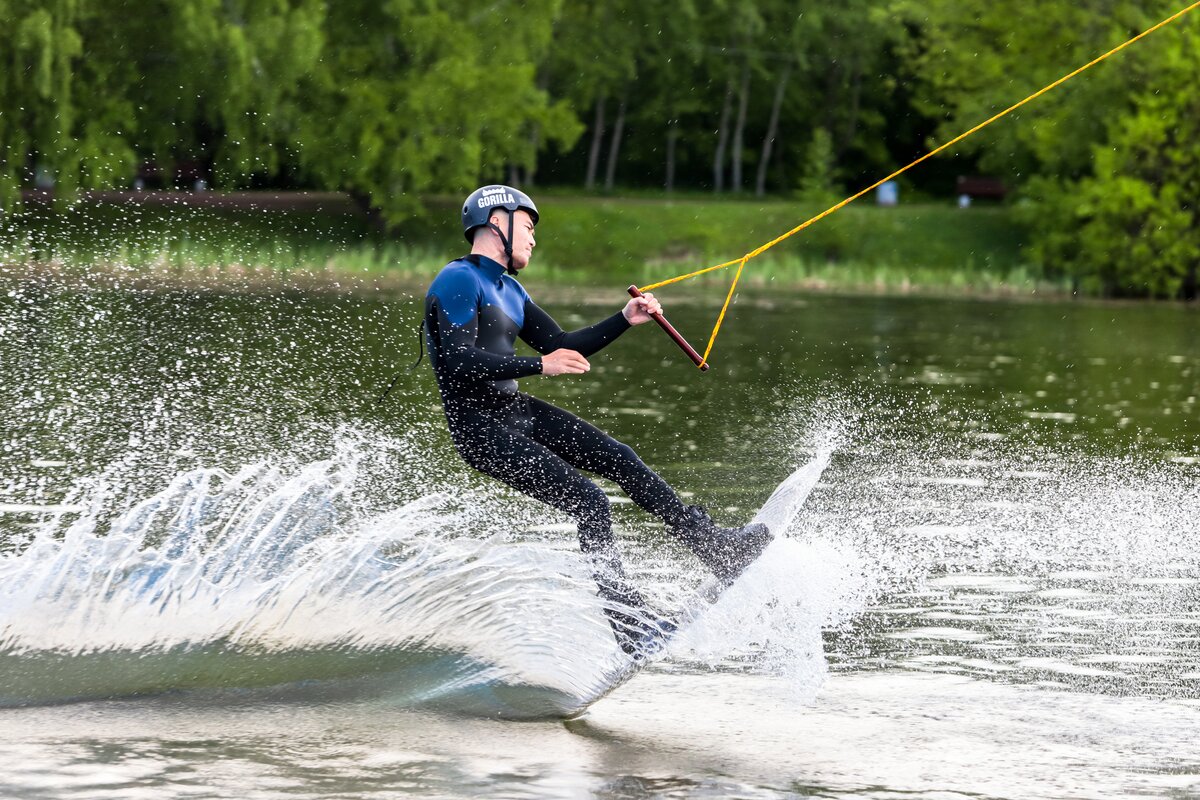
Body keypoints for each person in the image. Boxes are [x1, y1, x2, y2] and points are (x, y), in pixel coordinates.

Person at [423, 184, 770, 655]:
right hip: (480, 429)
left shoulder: (510, 289)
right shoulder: (458, 280)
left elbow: (563, 342)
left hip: (513, 411)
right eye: (527, 226)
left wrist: (624, 318)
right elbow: (459, 359)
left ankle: (713, 546)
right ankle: (628, 624)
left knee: (621, 459)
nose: (533, 239)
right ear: (495, 223)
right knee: (590, 501)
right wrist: (538, 366)